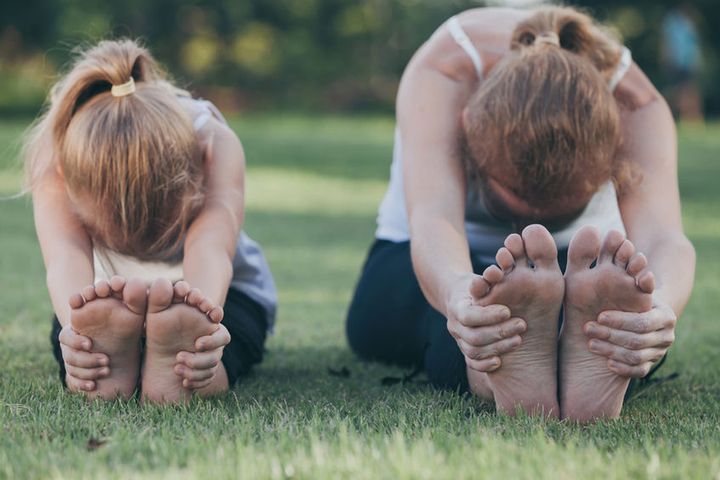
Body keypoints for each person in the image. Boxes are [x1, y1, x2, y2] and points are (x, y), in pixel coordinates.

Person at [346, 6, 695, 422]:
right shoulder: (446, 70)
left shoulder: (635, 105)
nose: (525, 228)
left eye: (556, 212)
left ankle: (591, 356)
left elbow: (664, 239)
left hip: (578, 268)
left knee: (621, 324)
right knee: (447, 317)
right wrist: (459, 296)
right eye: (507, 202)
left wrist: (657, 310)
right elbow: (433, 217)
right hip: (436, 253)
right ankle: (499, 362)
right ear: (469, 125)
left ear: (615, 153)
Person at [24, 39, 277, 403]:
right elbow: (65, 256)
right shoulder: (57, 156)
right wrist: (77, 339)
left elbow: (212, 247)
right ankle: (101, 368)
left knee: (231, 339)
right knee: (74, 331)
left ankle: (193, 376)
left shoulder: (213, 143)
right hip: (104, 299)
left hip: (222, 293)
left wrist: (202, 332)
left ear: (194, 174)